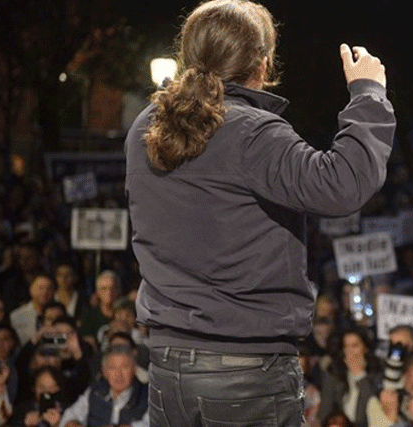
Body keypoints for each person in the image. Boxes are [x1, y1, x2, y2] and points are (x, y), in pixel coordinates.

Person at [124, 0, 394, 426]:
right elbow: (342, 185)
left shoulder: (146, 126)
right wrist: (369, 95)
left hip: (169, 364)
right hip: (244, 370)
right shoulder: (251, 131)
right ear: (264, 63)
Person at [59, 345, 148, 427]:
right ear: (104, 372)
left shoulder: (148, 396)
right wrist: (72, 422)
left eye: (124, 367)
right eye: (112, 368)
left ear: (134, 369)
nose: (118, 374)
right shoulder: (95, 391)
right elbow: (71, 414)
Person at [10, 273, 56, 345]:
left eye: (49, 289)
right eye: (41, 288)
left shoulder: (59, 314)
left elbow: (63, 341)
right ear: (31, 289)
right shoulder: (16, 316)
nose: (45, 292)